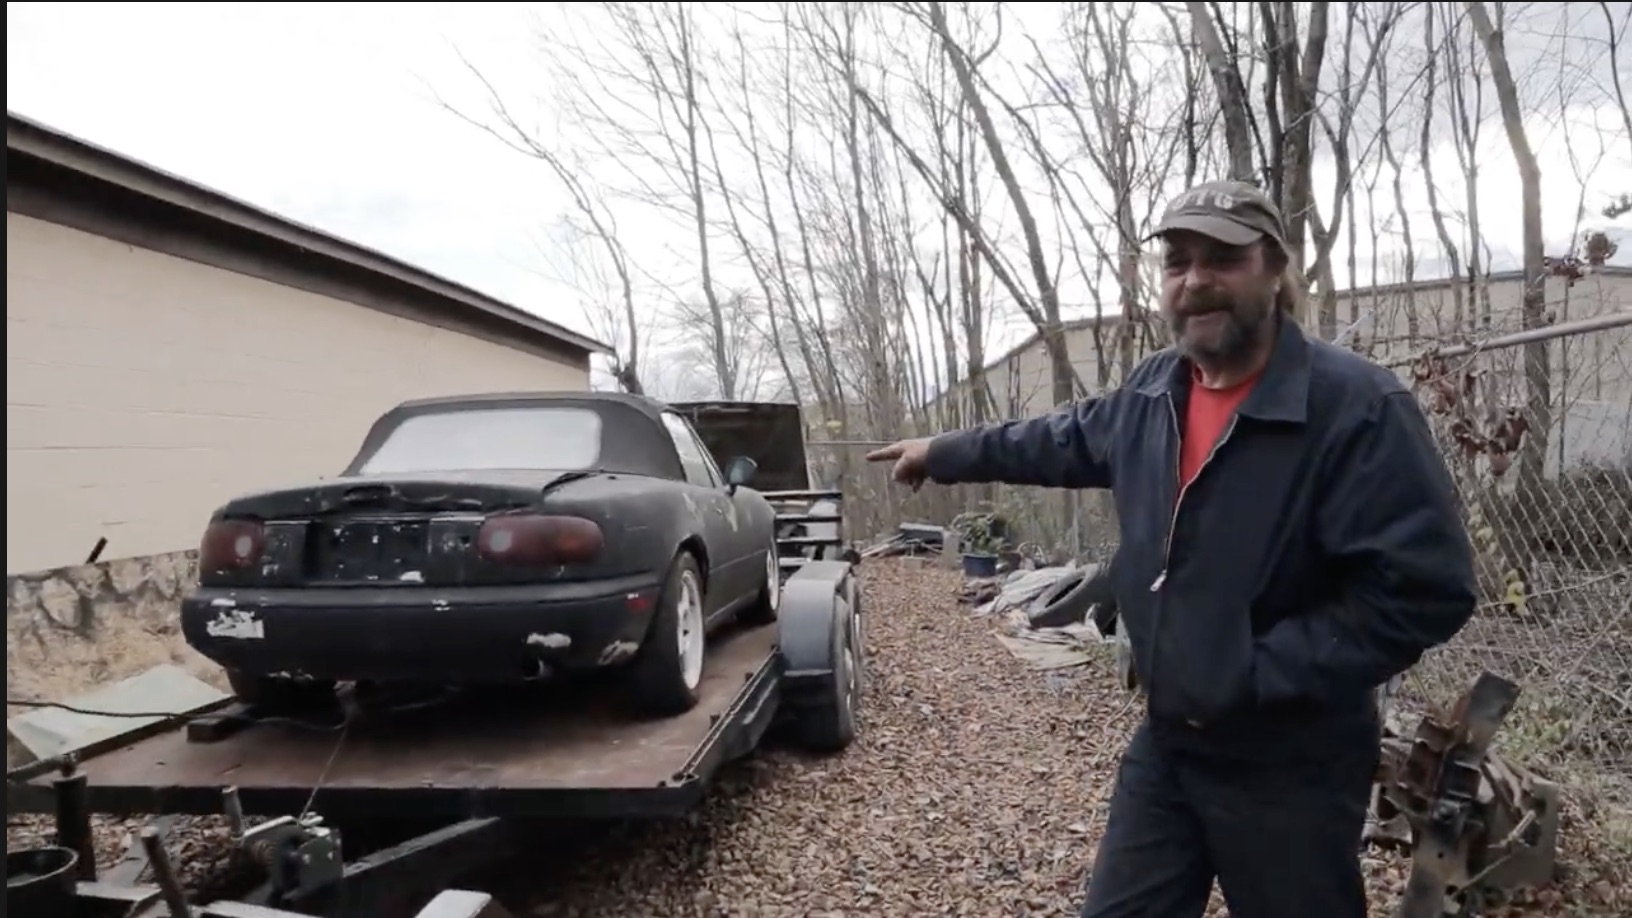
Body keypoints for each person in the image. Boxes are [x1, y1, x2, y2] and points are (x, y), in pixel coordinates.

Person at [866, 181, 1478, 918]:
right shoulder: (1158, 389)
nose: (1194, 281)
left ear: (1274, 267)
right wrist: (945, 450)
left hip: (1294, 764)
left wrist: (1252, 674)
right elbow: (1060, 439)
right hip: (1170, 745)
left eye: (1221, 259)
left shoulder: (1356, 409)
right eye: (1178, 262)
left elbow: (1426, 588)